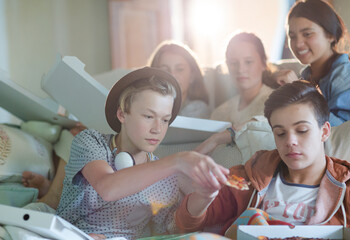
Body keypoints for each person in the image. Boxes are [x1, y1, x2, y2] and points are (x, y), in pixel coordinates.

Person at [55, 67, 228, 240]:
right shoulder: (91, 142)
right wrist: (177, 161)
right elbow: (107, 188)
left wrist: (205, 197)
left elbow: (174, 229)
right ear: (122, 114)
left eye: (165, 120)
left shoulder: (164, 176)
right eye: (148, 116)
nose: (158, 129)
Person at [175, 81, 350, 238]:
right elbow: (186, 225)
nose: (290, 142)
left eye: (302, 130)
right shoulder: (249, 177)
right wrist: (204, 196)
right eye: (280, 133)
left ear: (325, 131)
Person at [274, 0, 350, 126]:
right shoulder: (305, 76)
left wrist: (300, 95)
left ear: (331, 35)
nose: (298, 44)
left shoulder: (346, 74)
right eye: (292, 36)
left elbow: (342, 132)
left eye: (307, 34)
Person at [210, 31, 274, 128]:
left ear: (264, 63)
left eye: (248, 62)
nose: (240, 69)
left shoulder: (276, 104)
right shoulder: (219, 113)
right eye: (233, 63)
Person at [148, 40, 211, 119]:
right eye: (165, 70)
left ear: (192, 76)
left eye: (179, 69)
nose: (172, 75)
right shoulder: (144, 106)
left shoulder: (198, 108)